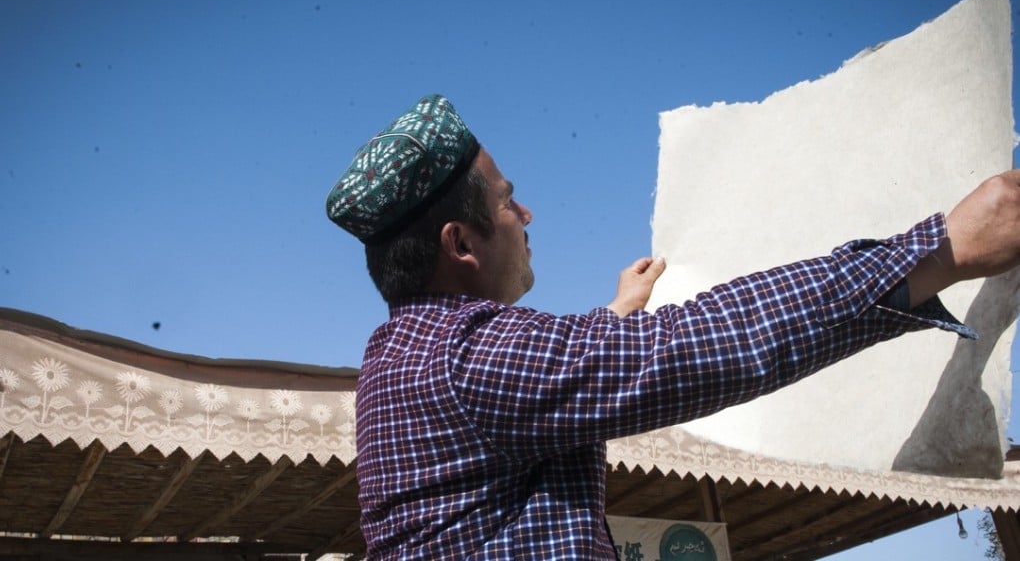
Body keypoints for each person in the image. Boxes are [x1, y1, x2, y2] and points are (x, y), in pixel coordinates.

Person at [325, 94, 1020, 560]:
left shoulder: (410, 354)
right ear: (461, 245)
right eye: (508, 202)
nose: (527, 215)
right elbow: (695, 348)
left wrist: (616, 316)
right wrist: (938, 250)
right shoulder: (465, 357)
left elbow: (548, 383)